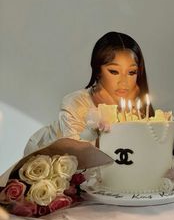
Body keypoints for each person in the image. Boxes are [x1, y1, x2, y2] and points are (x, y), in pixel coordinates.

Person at [24, 31, 154, 156]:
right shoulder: (76, 103)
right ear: (98, 70)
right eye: (114, 71)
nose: (124, 82)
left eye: (131, 72)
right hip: (47, 167)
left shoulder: (139, 108)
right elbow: (80, 161)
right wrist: (109, 112)